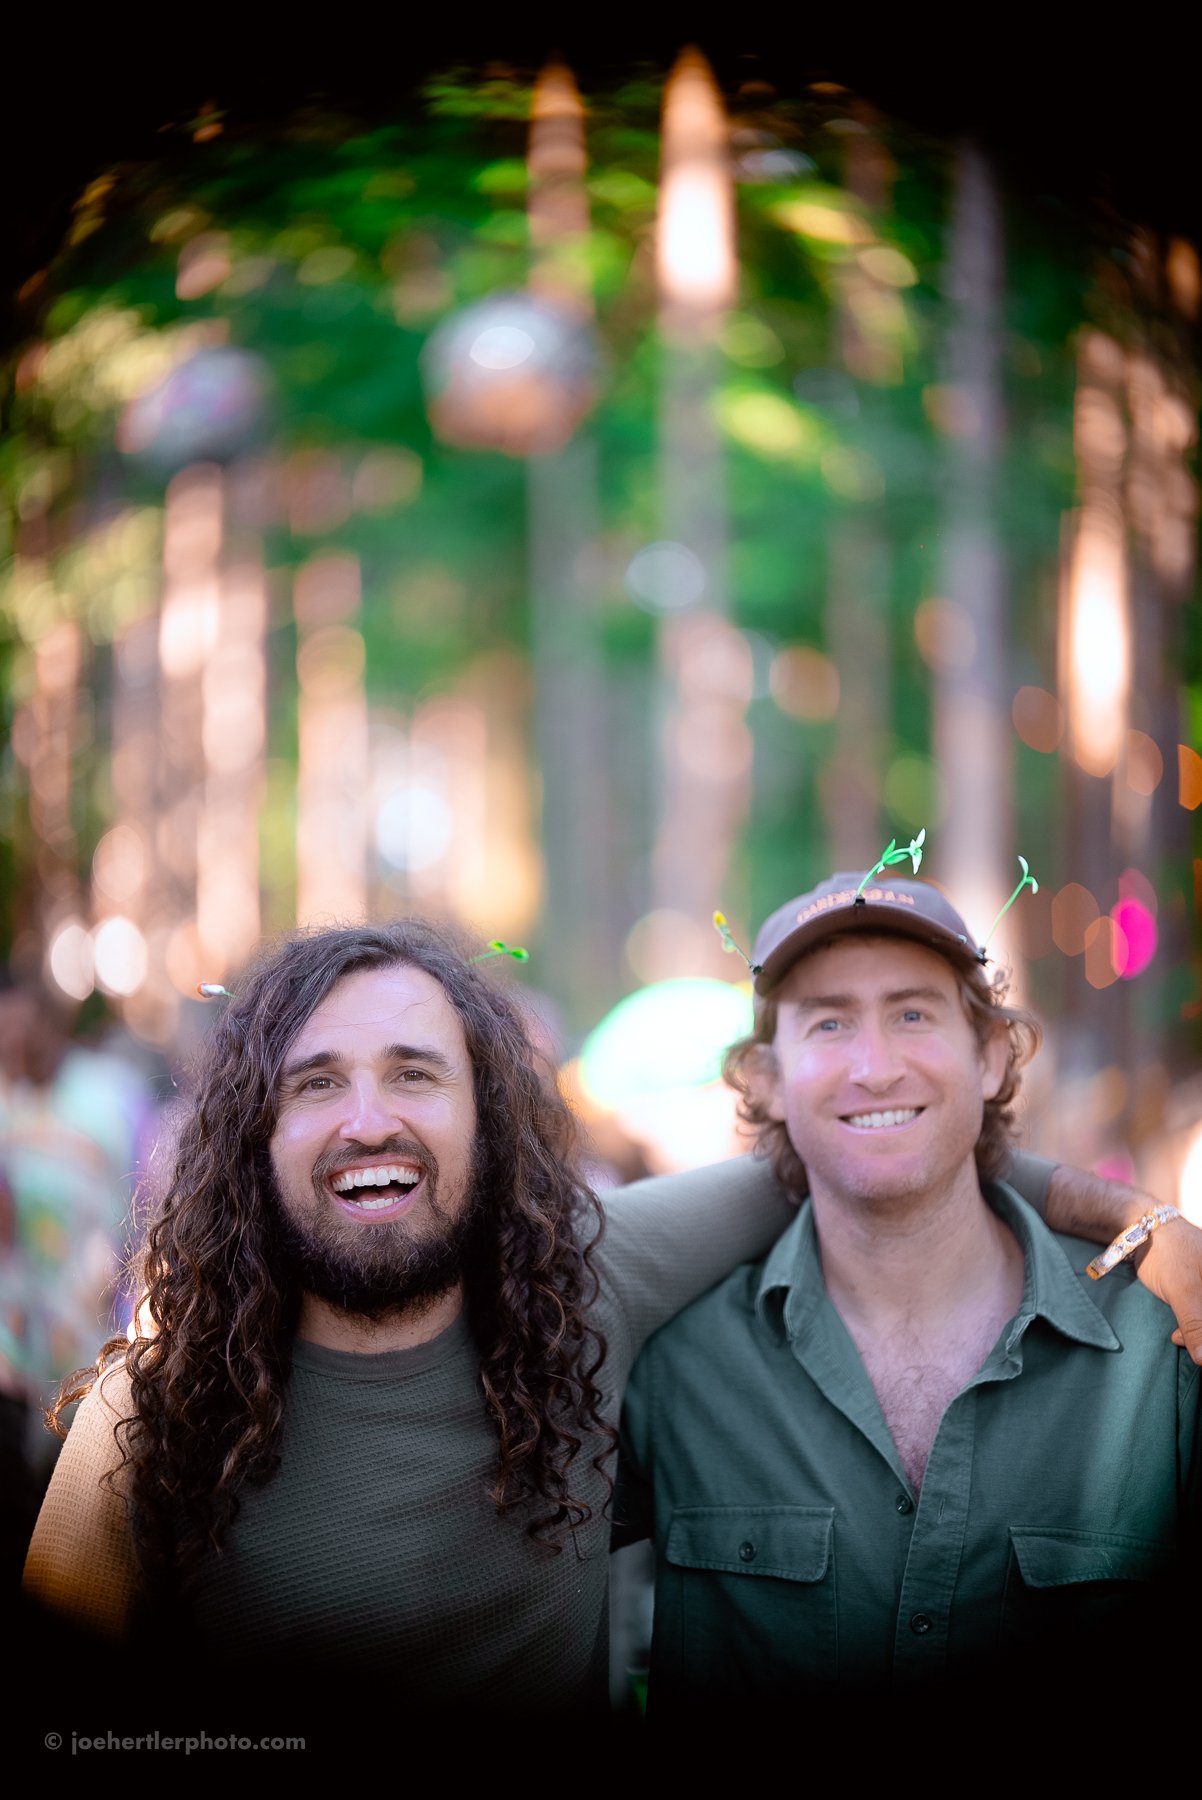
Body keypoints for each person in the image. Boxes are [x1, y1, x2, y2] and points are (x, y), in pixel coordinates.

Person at [20, 916, 1202, 1725]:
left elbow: (863, 1147)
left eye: (416, 1074)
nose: (365, 1118)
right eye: (313, 1081)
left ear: (490, 1121)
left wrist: (1138, 1220)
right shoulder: (153, 1414)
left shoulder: (586, 1289)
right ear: (251, 1138)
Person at [617, 872, 1202, 1715]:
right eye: (828, 1022)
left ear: (994, 1055)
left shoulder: (1162, 1347)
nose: (875, 1066)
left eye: (914, 1013)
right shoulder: (674, 1365)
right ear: (766, 1079)